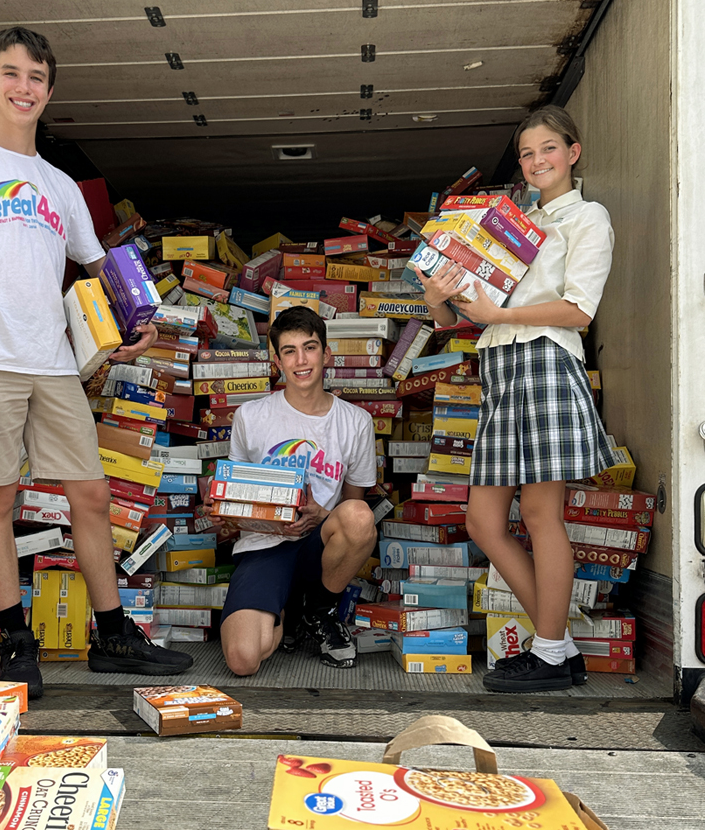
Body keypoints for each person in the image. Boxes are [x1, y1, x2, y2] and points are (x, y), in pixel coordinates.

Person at [0, 26, 193, 700]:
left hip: (56, 362)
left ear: (48, 90)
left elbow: (100, 268)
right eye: (10, 73)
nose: (22, 87)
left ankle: (115, 634)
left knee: (91, 493)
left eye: (35, 77)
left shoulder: (59, 184)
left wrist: (139, 322)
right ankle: (15, 640)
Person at [414, 105, 616, 693]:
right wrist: (436, 295)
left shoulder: (588, 218)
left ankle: (550, 652)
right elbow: (456, 322)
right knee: (483, 521)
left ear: (573, 152)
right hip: (501, 366)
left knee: (538, 515)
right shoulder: (511, 226)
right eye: (527, 154)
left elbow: (580, 311)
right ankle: (562, 646)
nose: (536, 162)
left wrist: (500, 313)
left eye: (548, 149)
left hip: (547, 363)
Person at [218, 306, 378, 675]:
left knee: (358, 517)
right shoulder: (251, 416)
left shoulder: (356, 422)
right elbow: (233, 499)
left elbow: (354, 507)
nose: (301, 360)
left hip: (317, 544)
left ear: (327, 354)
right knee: (243, 661)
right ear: (277, 360)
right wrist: (268, 520)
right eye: (289, 351)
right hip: (264, 545)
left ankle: (320, 609)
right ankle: (286, 613)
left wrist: (319, 515)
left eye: (310, 347)